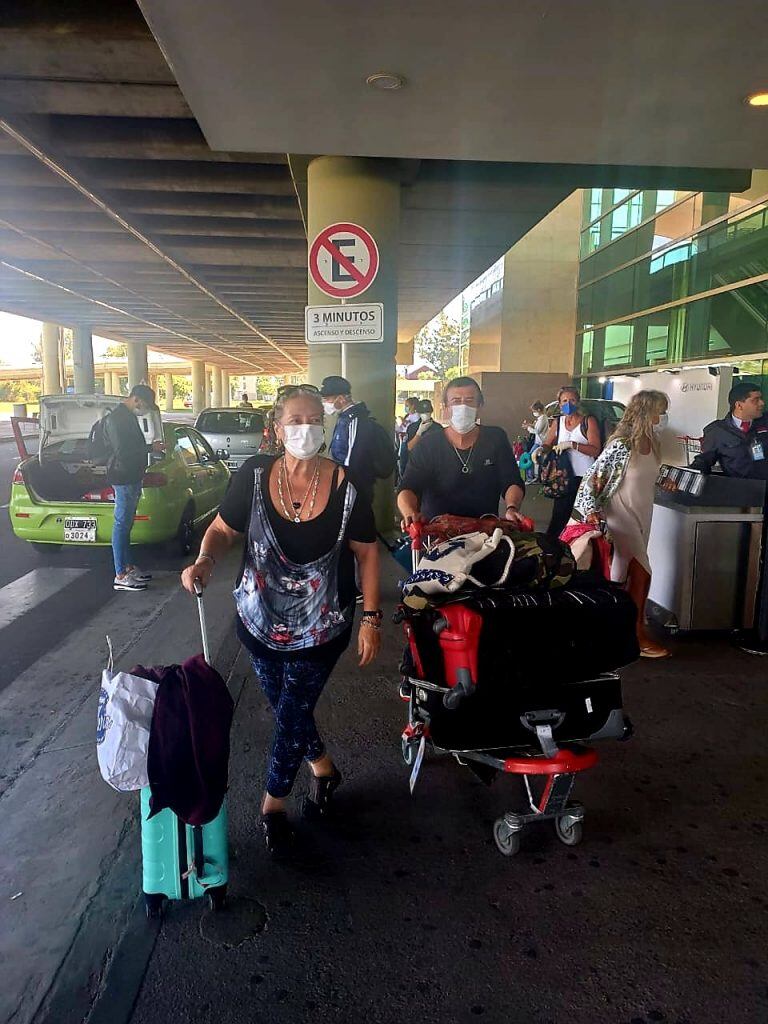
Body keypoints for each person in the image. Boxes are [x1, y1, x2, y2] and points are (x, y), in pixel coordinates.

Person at [181, 384, 381, 856]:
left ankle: (272, 805)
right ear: (276, 426)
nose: (305, 428)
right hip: (258, 622)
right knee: (288, 709)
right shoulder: (252, 475)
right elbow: (221, 530)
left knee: (290, 716)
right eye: (295, 420)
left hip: (322, 626)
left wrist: (372, 617)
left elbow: (368, 552)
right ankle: (325, 770)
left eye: (314, 419)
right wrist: (206, 561)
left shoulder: (346, 485)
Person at [569, 389, 670, 658]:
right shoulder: (622, 445)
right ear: (646, 412)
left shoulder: (652, 443)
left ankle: (616, 631)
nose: (663, 416)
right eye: (659, 410)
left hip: (641, 515)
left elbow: (645, 479)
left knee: (622, 573)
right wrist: (589, 512)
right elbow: (595, 477)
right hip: (620, 515)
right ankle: (636, 635)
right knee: (641, 572)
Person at [397, 376, 527, 527]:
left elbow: (511, 479)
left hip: (486, 532)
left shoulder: (495, 438)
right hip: (436, 533)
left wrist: (512, 507)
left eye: (470, 400)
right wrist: (409, 513)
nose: (463, 407)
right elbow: (408, 486)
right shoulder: (428, 443)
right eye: (456, 401)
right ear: (446, 407)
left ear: (480, 405)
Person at [104, 384, 162, 592]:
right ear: (136, 399)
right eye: (145, 404)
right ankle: (120, 574)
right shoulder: (118, 418)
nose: (145, 409)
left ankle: (127, 568)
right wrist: (149, 448)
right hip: (124, 476)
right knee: (121, 524)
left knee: (126, 524)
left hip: (131, 475)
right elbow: (123, 451)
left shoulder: (127, 416)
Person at [319, 375, 396, 503]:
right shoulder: (344, 419)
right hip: (346, 486)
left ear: (342, 398)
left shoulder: (356, 421)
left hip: (353, 489)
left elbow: (353, 462)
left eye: (327, 399)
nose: (325, 403)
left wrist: (342, 489)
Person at [541, 386, 602, 538]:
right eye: (565, 401)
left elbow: (595, 450)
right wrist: (539, 451)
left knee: (587, 516)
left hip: (585, 477)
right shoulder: (558, 422)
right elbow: (547, 443)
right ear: (559, 403)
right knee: (559, 516)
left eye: (572, 400)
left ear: (578, 401)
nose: (569, 404)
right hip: (564, 476)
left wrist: (573, 445)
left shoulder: (588, 421)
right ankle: (554, 548)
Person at [691, 383, 768, 479]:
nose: (762, 403)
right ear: (739, 405)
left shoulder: (765, 422)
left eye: (761, 399)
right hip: (740, 489)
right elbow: (704, 461)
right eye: (755, 400)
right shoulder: (717, 431)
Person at [521, 400, 548, 480]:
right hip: (538, 442)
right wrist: (529, 425)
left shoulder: (542, 418)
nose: (533, 413)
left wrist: (528, 428)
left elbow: (537, 431)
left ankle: (530, 477)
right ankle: (534, 476)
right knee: (535, 458)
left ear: (539, 410)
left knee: (529, 457)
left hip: (540, 443)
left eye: (534, 411)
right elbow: (536, 427)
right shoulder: (541, 418)